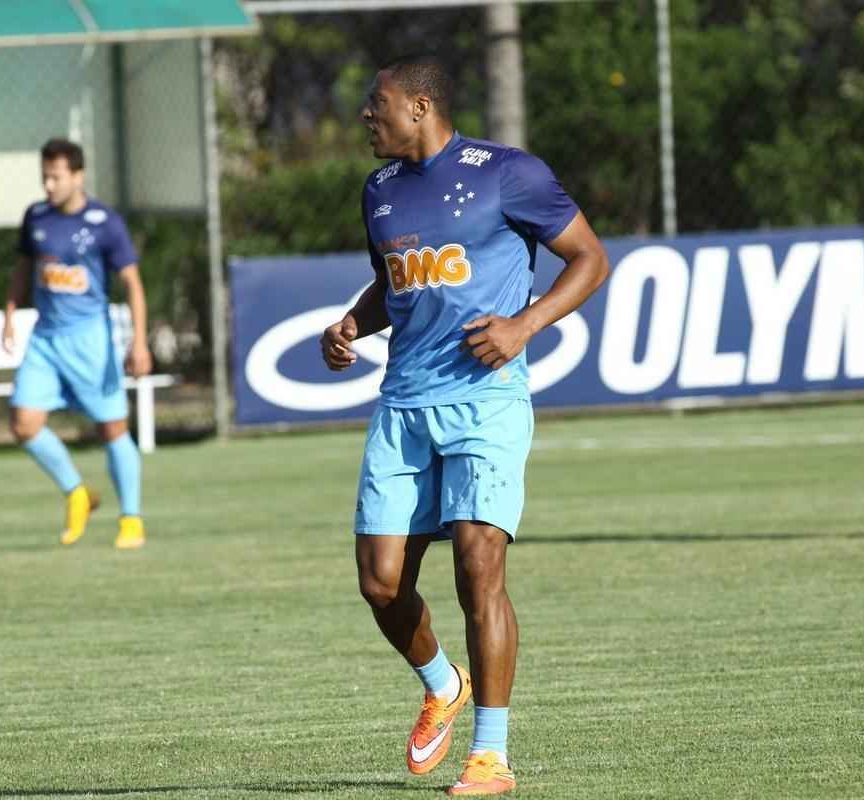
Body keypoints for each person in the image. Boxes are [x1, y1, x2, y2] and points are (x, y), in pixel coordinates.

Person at [320, 55, 609, 796]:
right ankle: (441, 683)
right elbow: (395, 282)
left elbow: (589, 258)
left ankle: (491, 756)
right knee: (382, 586)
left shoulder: (507, 173)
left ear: (420, 107)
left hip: (487, 399)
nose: (365, 115)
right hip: (404, 405)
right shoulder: (378, 191)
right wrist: (356, 319)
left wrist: (524, 325)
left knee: (478, 565)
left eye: (376, 103)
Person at [2, 138, 153, 550]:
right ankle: (77, 493)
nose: (49, 185)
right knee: (24, 423)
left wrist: (139, 343)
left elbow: (133, 286)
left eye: (57, 177)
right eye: (44, 177)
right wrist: (10, 314)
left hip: (91, 342)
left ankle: (131, 520)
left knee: (112, 429)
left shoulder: (105, 222)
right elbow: (23, 270)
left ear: (78, 176)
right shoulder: (35, 217)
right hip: (46, 339)